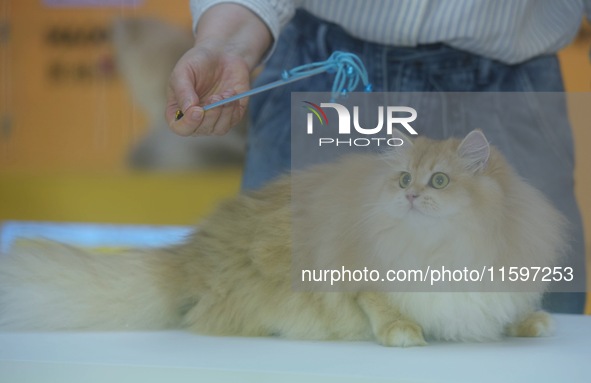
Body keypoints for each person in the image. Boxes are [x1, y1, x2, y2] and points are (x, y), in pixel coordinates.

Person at [166, 0, 589, 314]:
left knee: (537, 337)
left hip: (508, 83)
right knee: (265, 322)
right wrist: (225, 43)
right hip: (328, 75)